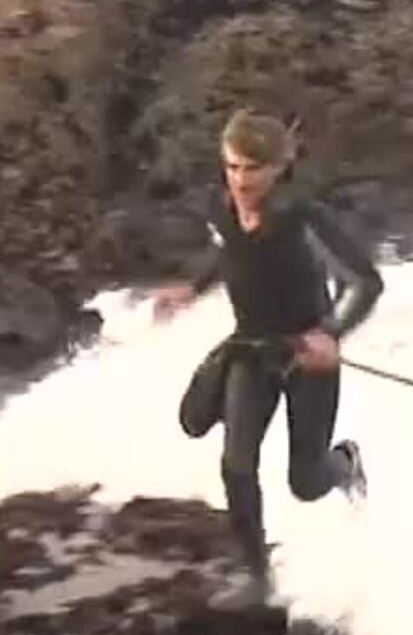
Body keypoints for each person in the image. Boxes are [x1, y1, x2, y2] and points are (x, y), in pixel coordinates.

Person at [151, 108, 382, 608]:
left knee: (305, 481)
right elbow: (229, 252)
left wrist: (330, 333)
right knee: (236, 462)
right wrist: (191, 288)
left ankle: (345, 463)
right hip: (251, 350)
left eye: (252, 169)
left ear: (278, 168)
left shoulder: (303, 218)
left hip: (306, 357)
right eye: (232, 167)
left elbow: (365, 282)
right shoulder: (222, 209)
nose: (240, 180)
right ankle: (258, 579)